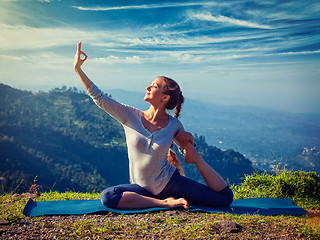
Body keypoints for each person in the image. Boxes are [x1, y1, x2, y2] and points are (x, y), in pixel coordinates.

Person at [74, 42, 233, 210]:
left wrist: (190, 142)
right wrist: (78, 69)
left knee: (224, 198)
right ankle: (165, 203)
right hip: (142, 190)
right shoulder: (130, 115)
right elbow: (99, 98)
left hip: (172, 184)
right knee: (108, 196)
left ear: (164, 98)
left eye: (154, 86)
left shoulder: (174, 125)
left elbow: (185, 151)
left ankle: (189, 171)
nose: (148, 87)